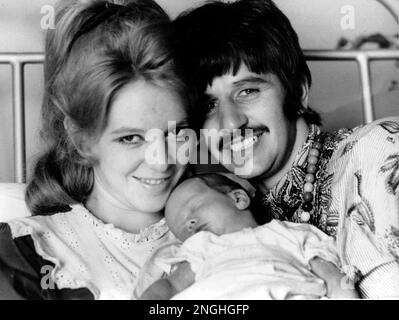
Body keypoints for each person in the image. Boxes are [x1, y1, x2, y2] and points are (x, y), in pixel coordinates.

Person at [173, 0, 399, 298]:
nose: (230, 121)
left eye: (248, 91)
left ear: (299, 91)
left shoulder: (380, 150)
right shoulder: (218, 218)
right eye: (208, 105)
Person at [0, 0, 196, 300]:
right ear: (81, 140)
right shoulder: (26, 251)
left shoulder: (231, 234)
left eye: (177, 132)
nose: (161, 162)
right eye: (131, 138)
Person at [139, 173, 359, 300]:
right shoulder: (202, 247)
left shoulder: (288, 233)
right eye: (182, 228)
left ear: (238, 199)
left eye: (194, 208)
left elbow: (333, 277)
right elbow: (170, 287)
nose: (190, 223)